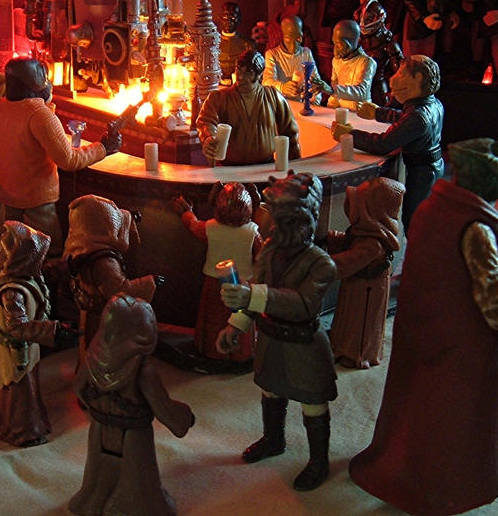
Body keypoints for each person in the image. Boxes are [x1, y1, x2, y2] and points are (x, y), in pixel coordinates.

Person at [349, 138, 498, 515]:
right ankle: (446, 486)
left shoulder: (434, 207)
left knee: (422, 411)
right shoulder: (475, 228)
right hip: (466, 347)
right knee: (455, 421)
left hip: (430, 337)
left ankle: (414, 471)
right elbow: (493, 296)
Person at [217, 172, 338, 491]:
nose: (277, 227)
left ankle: (319, 461)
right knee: (271, 391)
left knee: (313, 403)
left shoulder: (322, 265)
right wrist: (236, 324)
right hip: (271, 338)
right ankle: (273, 439)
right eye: (277, 219)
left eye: (290, 220)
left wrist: (251, 295)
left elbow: (303, 304)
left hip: (304, 345)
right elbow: (258, 289)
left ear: (307, 220)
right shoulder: (270, 250)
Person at [69, 293, 194, 516]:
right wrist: (184, 417)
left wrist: (97, 407)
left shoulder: (92, 358)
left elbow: (79, 388)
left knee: (97, 477)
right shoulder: (144, 371)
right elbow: (164, 409)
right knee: (138, 485)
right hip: (134, 435)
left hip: (99, 429)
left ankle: (93, 503)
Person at [0, 58, 120, 258]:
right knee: (48, 253)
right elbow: (69, 160)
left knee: (11, 252)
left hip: (7, 195)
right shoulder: (39, 115)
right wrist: (103, 148)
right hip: (37, 199)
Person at [0, 221, 78, 447]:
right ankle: (22, 431)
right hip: (15, 351)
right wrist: (54, 331)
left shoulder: (20, 279)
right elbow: (16, 327)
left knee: (24, 390)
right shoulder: (12, 293)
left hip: (26, 348)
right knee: (19, 395)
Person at [332, 54, 443, 233]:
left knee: (414, 220)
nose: (394, 79)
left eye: (401, 74)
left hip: (423, 173)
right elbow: (404, 118)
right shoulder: (432, 103)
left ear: (418, 78)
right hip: (431, 166)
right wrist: (378, 113)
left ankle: (418, 248)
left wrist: (349, 135)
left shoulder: (419, 116)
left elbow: (384, 143)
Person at [172, 182, 262, 362]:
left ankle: (210, 349)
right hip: (242, 283)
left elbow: (193, 225)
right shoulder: (252, 233)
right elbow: (261, 256)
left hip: (214, 280)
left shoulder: (211, 228)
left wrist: (185, 212)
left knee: (212, 317)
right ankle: (242, 352)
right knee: (241, 316)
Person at [64, 194, 159, 358]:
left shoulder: (77, 251)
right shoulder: (105, 261)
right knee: (101, 347)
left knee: (87, 343)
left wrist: (129, 218)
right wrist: (149, 282)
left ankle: (86, 366)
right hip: (104, 314)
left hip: (87, 309)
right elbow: (119, 290)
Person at [326, 177, 404, 369]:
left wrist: (322, 264)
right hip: (356, 285)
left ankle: (358, 354)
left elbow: (350, 260)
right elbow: (352, 243)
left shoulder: (374, 243)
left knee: (359, 322)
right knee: (348, 318)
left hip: (367, 290)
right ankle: (342, 347)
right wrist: (334, 238)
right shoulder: (364, 232)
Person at [196, 49, 300, 166]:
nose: (240, 77)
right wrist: (209, 137)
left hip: (266, 166)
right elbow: (205, 122)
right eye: (238, 70)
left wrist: (295, 165)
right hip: (229, 167)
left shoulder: (273, 97)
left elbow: (291, 133)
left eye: (248, 72)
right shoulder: (219, 98)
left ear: (259, 75)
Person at [311, 19, 377, 110]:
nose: (335, 49)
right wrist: (329, 109)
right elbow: (334, 89)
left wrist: (331, 90)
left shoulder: (366, 62)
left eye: (340, 45)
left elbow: (362, 92)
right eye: (334, 43)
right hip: (341, 110)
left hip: (359, 111)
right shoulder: (336, 61)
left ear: (355, 41)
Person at [354, 0, 403, 107]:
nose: (364, 22)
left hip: (377, 88)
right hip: (357, 85)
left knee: (380, 112)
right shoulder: (357, 39)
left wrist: (394, 93)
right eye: (362, 18)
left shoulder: (389, 44)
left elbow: (400, 73)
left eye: (368, 19)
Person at [262, 15, 318, 100]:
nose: (293, 46)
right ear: (283, 36)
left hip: (300, 104)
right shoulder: (272, 55)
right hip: (281, 102)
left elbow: (316, 81)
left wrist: (313, 100)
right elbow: (266, 82)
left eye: (298, 38)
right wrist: (282, 87)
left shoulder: (306, 53)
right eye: (288, 39)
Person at [217, 1, 254, 83]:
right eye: (225, 17)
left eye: (233, 17)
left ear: (239, 19)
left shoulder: (248, 44)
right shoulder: (211, 43)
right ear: (220, 18)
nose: (229, 21)